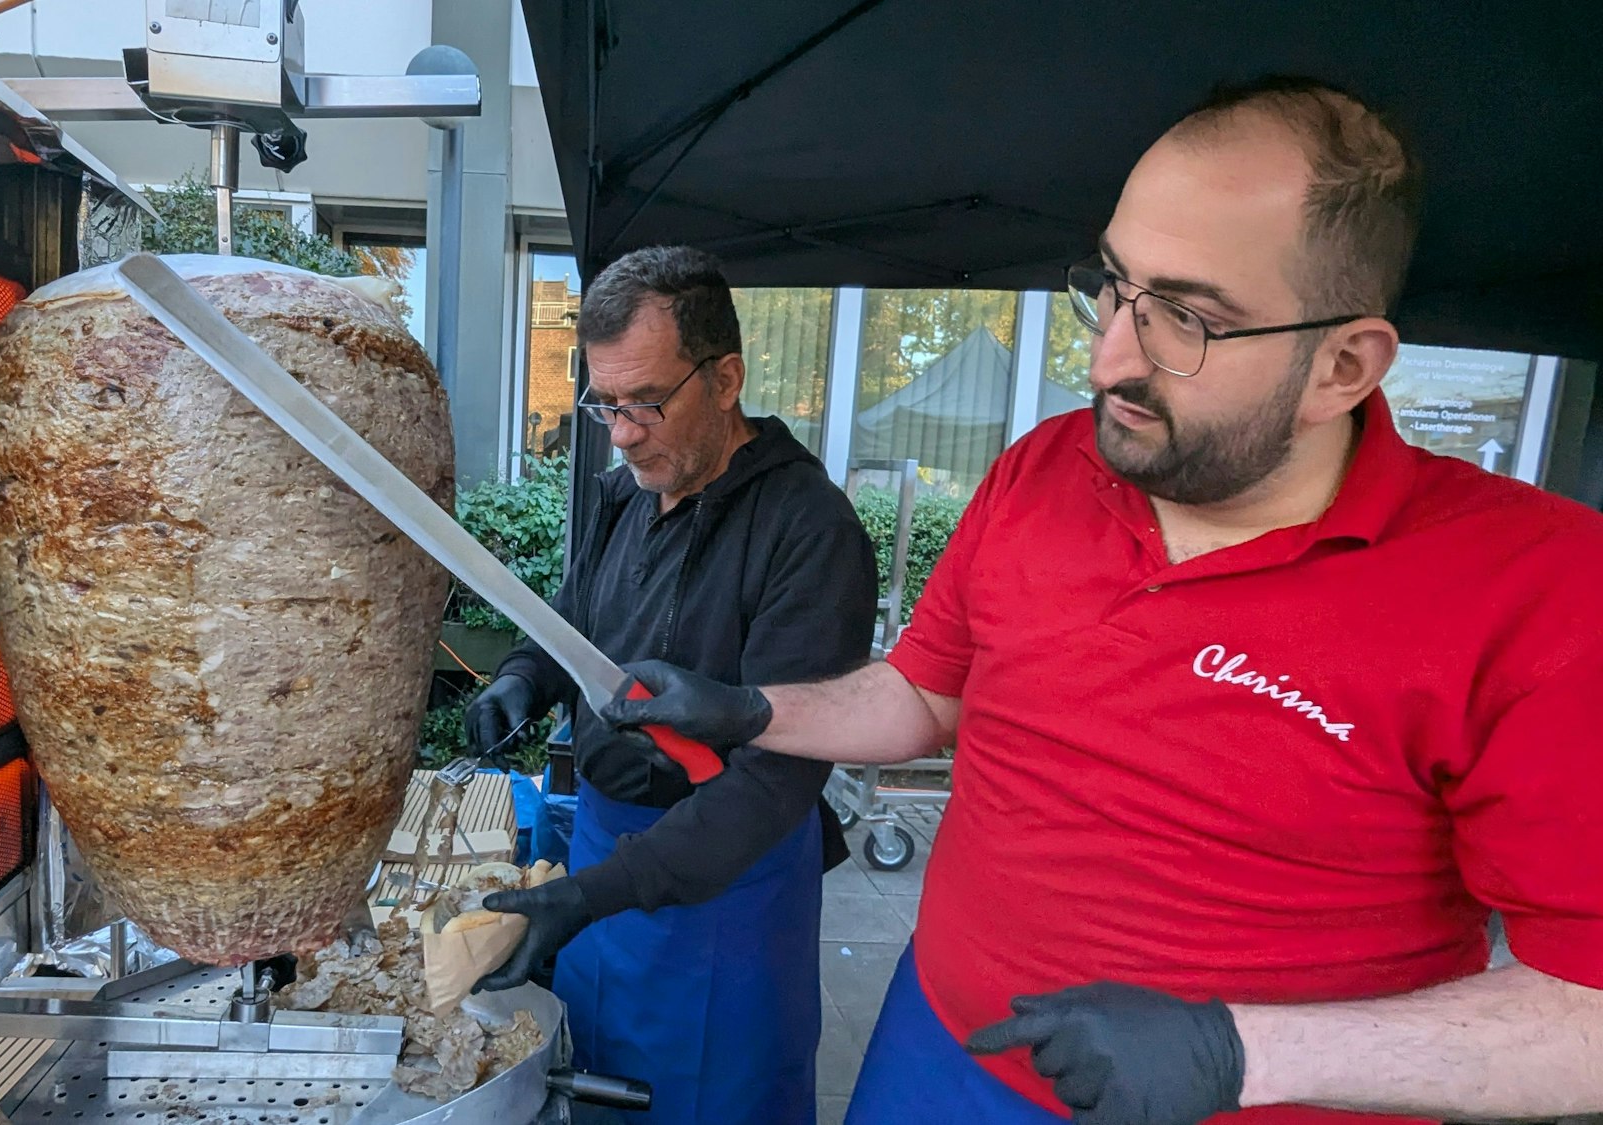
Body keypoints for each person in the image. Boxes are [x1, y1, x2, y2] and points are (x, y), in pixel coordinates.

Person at [601, 76, 1603, 1125]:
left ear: (1341, 366)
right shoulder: (1042, 470)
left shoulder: (1541, 590)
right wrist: (758, 709)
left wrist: (1241, 1051)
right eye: (1114, 287)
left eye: (1184, 317)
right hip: (936, 1051)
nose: (1108, 357)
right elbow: (925, 697)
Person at [465, 245, 879, 1124]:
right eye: (605, 403)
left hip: (730, 876)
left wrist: (588, 896)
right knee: (597, 1086)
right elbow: (576, 624)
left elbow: (775, 780)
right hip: (603, 859)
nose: (620, 432)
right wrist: (522, 678)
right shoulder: (624, 494)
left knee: (713, 1101)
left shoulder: (810, 529)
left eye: (646, 402)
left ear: (726, 377)